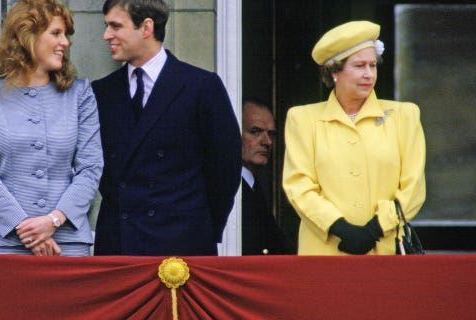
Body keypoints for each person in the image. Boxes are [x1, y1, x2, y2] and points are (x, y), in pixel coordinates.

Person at [91, 0, 241, 256]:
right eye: (107, 26)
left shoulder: (201, 87)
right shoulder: (101, 91)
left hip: (181, 245)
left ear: (146, 27)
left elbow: (225, 170)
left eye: (115, 26)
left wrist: (201, 229)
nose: (107, 36)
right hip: (117, 246)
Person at [0, 0, 103, 256]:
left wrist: (53, 221)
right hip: (3, 244)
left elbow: (91, 168)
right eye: (56, 33)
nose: (66, 43)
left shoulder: (80, 94)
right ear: (28, 35)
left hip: (67, 243)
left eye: (66, 35)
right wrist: (29, 231)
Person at [282, 21, 426, 255]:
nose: (369, 74)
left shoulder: (404, 116)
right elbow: (299, 186)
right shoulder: (303, 119)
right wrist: (339, 227)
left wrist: (376, 229)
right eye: (359, 66)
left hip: (386, 250)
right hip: (324, 253)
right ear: (335, 71)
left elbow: (413, 187)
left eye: (373, 65)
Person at [241, 98, 288, 255]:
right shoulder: (225, 187)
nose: (267, 142)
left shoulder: (253, 186)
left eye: (271, 134)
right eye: (255, 132)